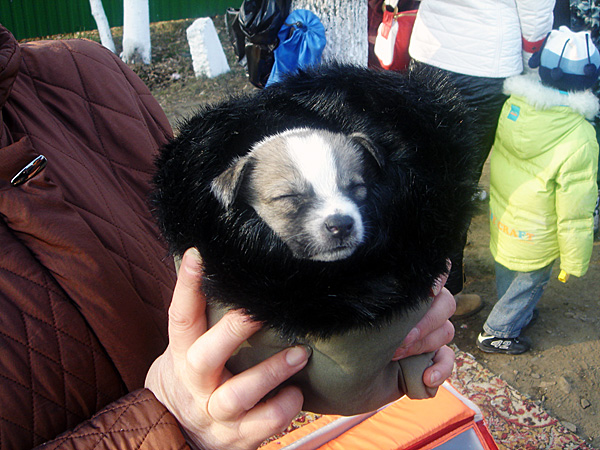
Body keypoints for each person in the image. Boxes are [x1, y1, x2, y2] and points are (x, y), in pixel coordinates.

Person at [0, 24, 456, 448]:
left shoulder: (86, 73)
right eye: (291, 199)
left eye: (353, 189)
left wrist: (393, 301)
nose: (338, 216)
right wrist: (169, 423)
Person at [408, 0, 556, 317]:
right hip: (483, 64)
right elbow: (536, 14)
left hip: (429, 53)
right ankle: (442, 296)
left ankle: (418, 286)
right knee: (456, 186)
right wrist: (532, 69)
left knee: (425, 176)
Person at [477, 26, 599, 355]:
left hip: (505, 214)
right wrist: (573, 259)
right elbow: (576, 208)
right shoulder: (580, 135)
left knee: (508, 264)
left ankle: (516, 311)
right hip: (538, 228)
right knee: (531, 280)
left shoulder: (514, 106)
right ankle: (497, 331)